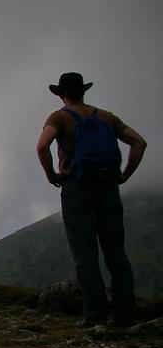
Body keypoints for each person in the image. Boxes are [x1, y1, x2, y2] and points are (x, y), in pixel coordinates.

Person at [36, 72, 147, 327]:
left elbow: (42, 146)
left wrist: (52, 174)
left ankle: (95, 316)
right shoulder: (106, 117)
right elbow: (139, 142)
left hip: (76, 188)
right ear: (84, 91)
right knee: (116, 253)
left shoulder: (59, 117)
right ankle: (125, 315)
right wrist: (125, 175)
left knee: (85, 255)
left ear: (61, 94)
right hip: (109, 188)